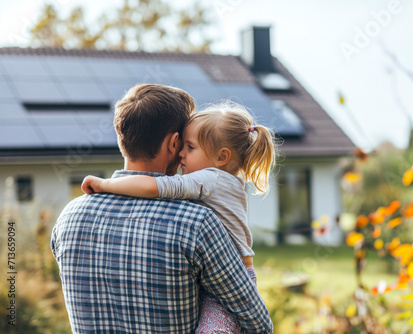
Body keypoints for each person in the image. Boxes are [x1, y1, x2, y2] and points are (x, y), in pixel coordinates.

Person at [51, 84, 273, 334]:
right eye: (186, 145)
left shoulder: (68, 218)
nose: (184, 156)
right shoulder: (196, 223)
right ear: (174, 143)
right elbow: (258, 323)